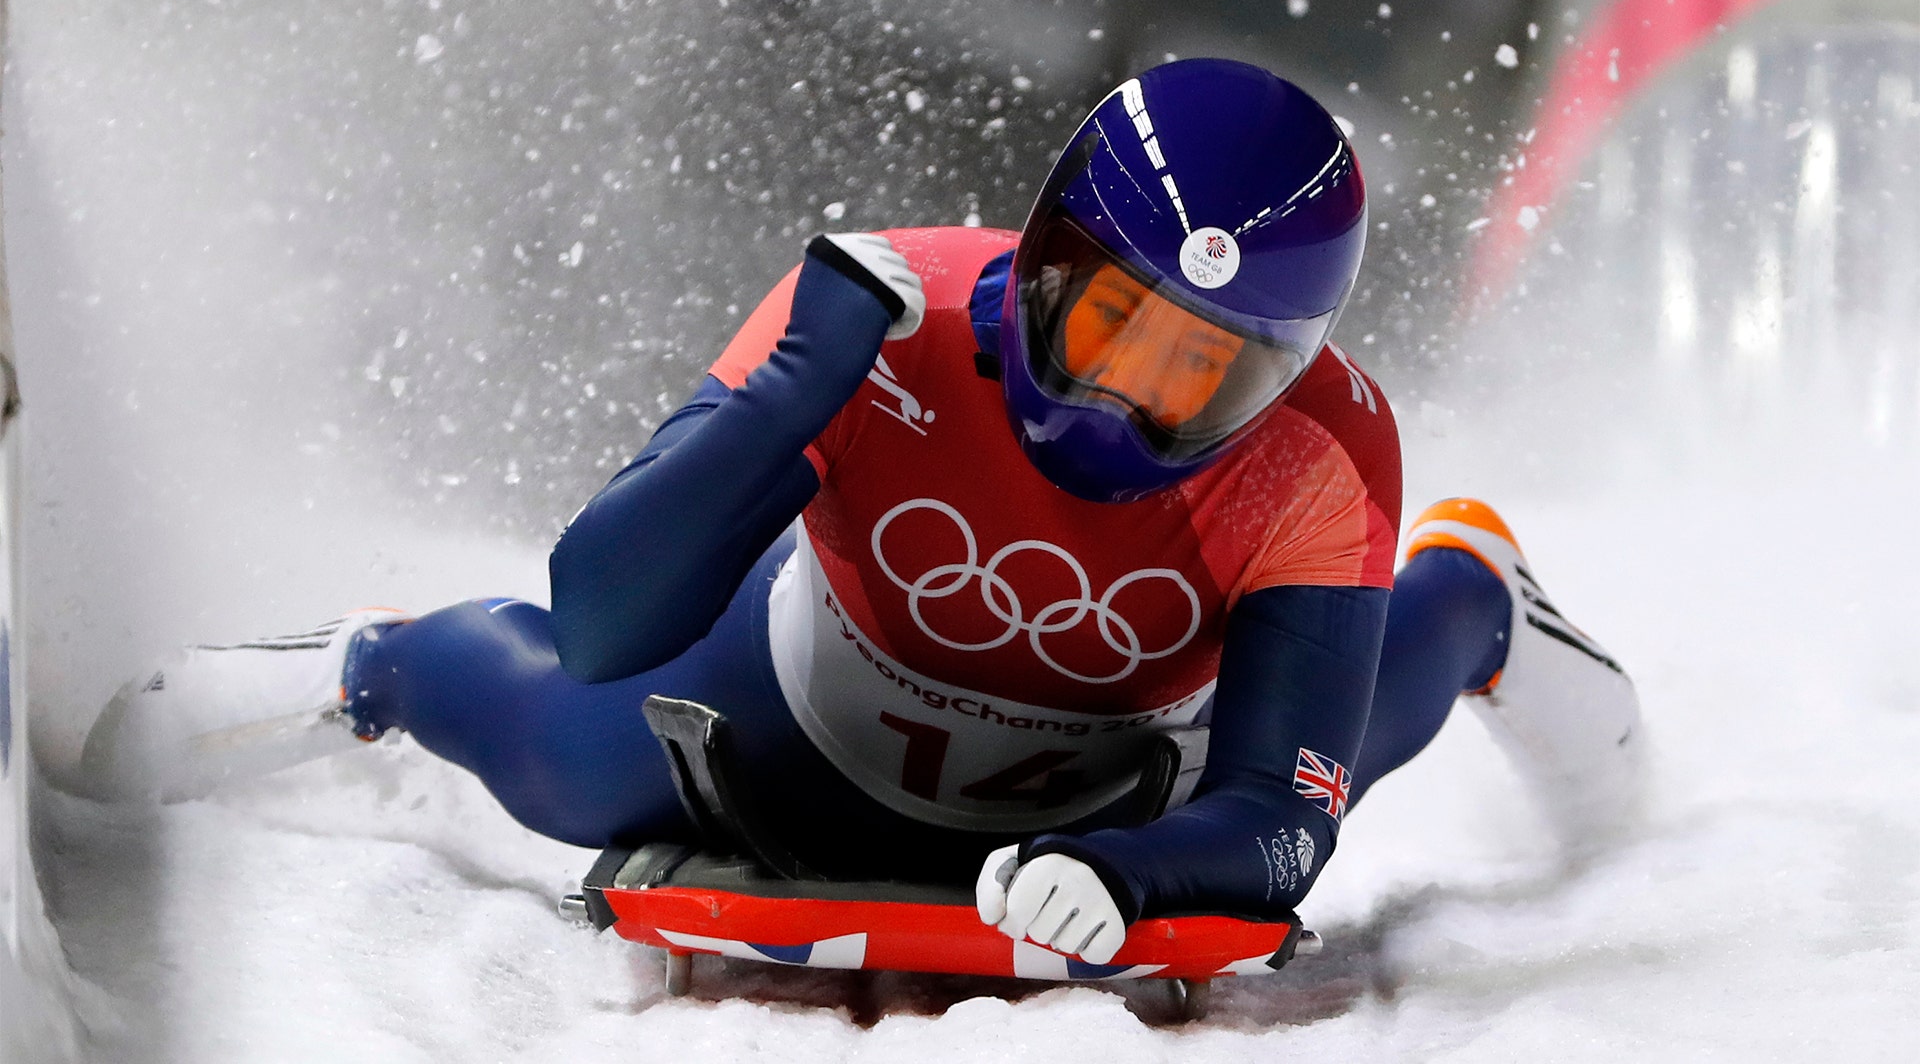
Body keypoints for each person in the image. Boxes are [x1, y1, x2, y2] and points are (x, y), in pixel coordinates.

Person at [81, 59, 1644, 965]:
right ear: (1044, 259)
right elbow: (607, 619)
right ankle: (367, 667)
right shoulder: (884, 308)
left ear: (1280, 374)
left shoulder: (1321, 453)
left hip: (1128, 769)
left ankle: (1474, 590)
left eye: (1195, 372)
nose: (1120, 401)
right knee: (559, 747)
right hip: (806, 689)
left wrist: (1141, 875)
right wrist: (786, 401)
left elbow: (1281, 820)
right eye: (1108, 324)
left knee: (1379, 694)